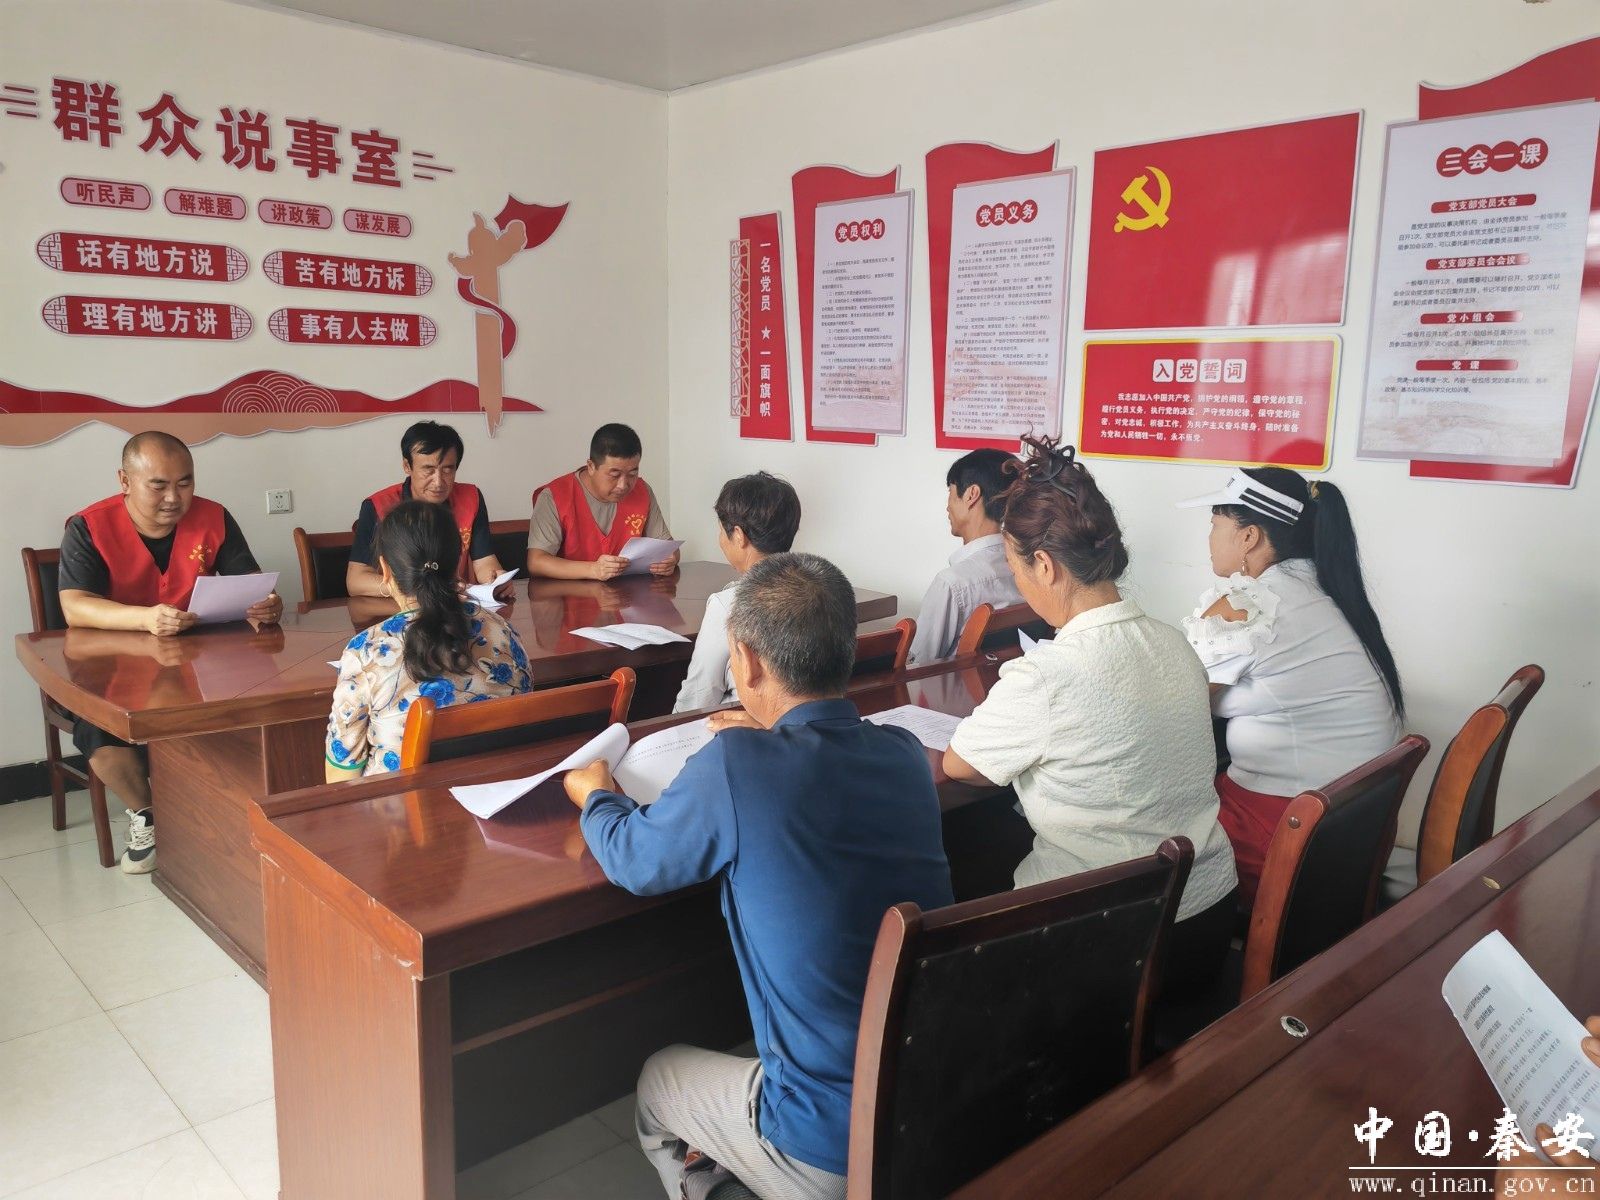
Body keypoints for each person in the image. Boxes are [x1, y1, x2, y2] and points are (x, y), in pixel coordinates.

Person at [564, 553, 952, 1200]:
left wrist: (594, 793)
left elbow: (633, 859)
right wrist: (776, 729)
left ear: (744, 662)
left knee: (659, 1079)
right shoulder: (904, 754)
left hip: (827, 1145)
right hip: (929, 1101)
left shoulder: (736, 764)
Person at [942, 437, 1237, 993]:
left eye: (1015, 566)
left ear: (1045, 565)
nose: (1019, 582)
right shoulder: (1173, 642)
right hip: (1205, 915)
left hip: (1104, 938)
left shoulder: (1049, 674)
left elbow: (960, 766)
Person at [1177, 467, 1404, 906]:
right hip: (1350, 830)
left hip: (1286, 833)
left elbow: (1169, 706)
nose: (1209, 538)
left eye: (1214, 525)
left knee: (1138, 839)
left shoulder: (1250, 605)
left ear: (1249, 537)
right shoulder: (1323, 587)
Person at [58, 431, 281, 873]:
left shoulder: (214, 517)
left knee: (255, 695)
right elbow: (74, 605)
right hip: (114, 662)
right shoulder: (89, 526)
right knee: (97, 726)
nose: (174, 498)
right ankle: (149, 813)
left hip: (196, 659)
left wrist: (265, 604)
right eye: (158, 485)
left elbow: (246, 583)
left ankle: (227, 805)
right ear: (125, 480)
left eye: (185, 483)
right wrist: (144, 618)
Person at [326, 500, 533, 780]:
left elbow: (341, 778)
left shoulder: (365, 653)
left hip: (403, 806)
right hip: (496, 796)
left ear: (385, 570)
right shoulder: (504, 633)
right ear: (457, 561)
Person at [672, 472, 801, 713]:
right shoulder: (815, 587)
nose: (721, 539)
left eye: (722, 531)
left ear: (739, 536)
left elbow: (700, 695)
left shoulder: (728, 603)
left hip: (749, 723)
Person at [347, 421, 511, 599]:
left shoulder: (471, 498)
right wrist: (418, 589)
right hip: (400, 607)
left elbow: (484, 561)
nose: (438, 482)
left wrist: (496, 581)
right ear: (407, 466)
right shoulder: (378, 505)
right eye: (428, 470)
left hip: (457, 605)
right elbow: (356, 580)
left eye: (447, 470)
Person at [906, 448, 1025, 668]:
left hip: (954, 689)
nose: (947, 506)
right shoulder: (1031, 571)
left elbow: (917, 667)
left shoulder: (952, 584)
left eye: (951, 493)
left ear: (971, 494)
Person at [527, 422, 678, 581]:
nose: (623, 485)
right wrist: (593, 570)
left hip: (628, 592)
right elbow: (536, 562)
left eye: (632, 474)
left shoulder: (642, 491)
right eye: (614, 475)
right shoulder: (554, 496)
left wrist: (670, 560)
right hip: (570, 592)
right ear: (591, 466)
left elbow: (669, 547)